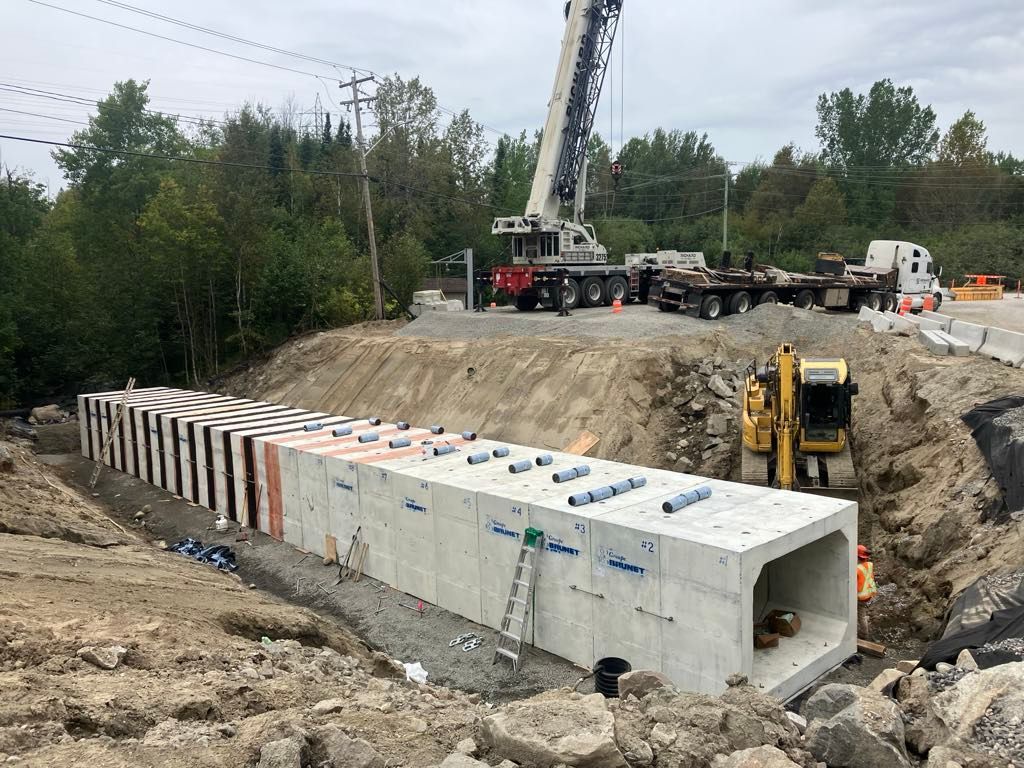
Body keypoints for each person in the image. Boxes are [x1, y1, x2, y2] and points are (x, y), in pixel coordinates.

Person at [856, 544, 878, 639]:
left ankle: (864, 633)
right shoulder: (870, 564)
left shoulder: (856, 569)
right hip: (869, 593)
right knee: (862, 611)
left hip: (862, 596)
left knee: (861, 615)